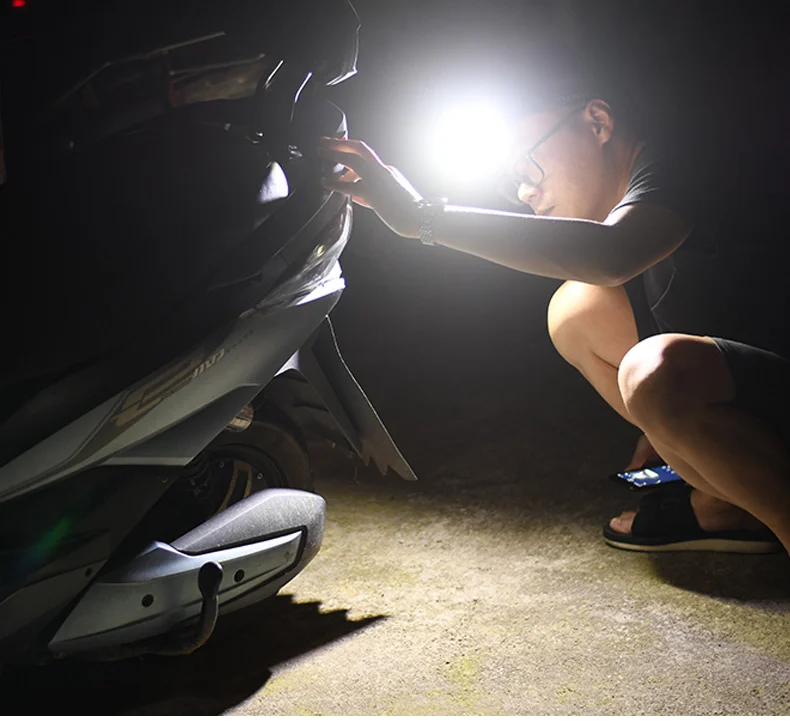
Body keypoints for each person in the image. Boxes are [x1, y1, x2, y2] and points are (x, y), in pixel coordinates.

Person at [317, 82, 790, 555]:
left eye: (528, 166)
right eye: (513, 183)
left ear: (598, 122)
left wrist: (423, 218)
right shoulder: (647, 198)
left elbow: (610, 255)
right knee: (577, 310)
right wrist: (671, 430)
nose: (526, 191)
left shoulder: (686, 155)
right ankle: (730, 503)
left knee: (653, 371)